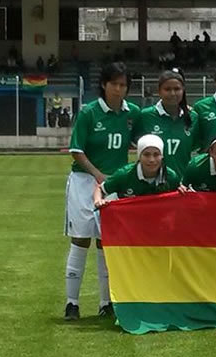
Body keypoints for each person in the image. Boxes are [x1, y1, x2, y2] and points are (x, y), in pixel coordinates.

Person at [63, 61, 141, 321]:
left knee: (107, 243)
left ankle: (106, 302)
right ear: (104, 85)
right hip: (84, 181)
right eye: (114, 84)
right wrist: (98, 175)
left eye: (123, 85)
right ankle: (71, 303)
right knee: (81, 239)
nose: (119, 90)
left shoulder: (132, 113)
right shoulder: (89, 112)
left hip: (115, 185)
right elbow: (76, 150)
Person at [134, 68, 199, 177]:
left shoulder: (193, 117)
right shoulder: (145, 116)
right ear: (159, 91)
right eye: (167, 89)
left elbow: (196, 149)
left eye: (177, 89)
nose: (172, 93)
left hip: (182, 183)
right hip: (152, 183)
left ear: (183, 90)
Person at [93, 134, 184, 208]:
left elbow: (178, 198)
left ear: (162, 156)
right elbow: (100, 189)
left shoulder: (171, 176)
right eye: (146, 155)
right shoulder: (124, 174)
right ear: (139, 156)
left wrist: (182, 191)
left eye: (156, 154)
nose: (151, 159)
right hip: (128, 219)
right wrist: (98, 201)